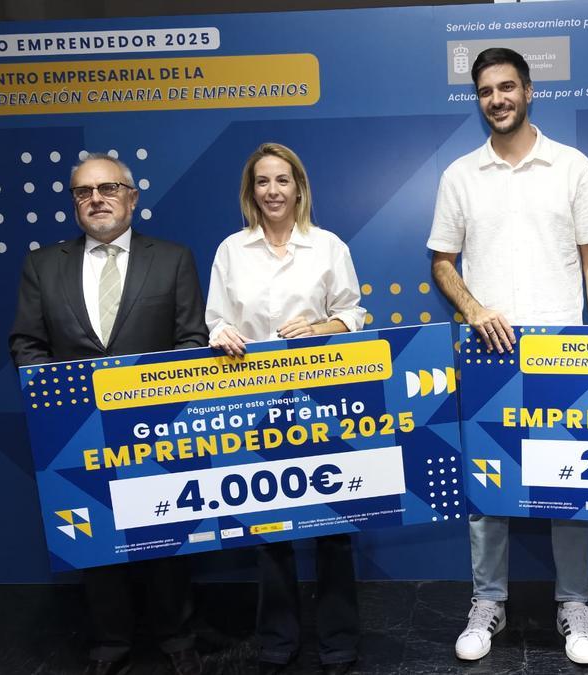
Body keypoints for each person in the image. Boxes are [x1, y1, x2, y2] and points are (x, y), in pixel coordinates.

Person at [428, 47, 588, 666]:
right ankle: (488, 602)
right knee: (487, 486)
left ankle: (575, 604)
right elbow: (442, 263)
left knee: (572, 482)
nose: (497, 99)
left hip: (565, 351)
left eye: (507, 87)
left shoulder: (572, 165)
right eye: (486, 91)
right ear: (477, 99)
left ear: (529, 90)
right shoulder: (459, 175)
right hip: (488, 354)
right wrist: (474, 308)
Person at [9, 153, 206, 675]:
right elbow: (27, 344)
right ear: (74, 202)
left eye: (108, 188)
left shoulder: (173, 259)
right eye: (84, 191)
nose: (96, 199)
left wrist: (160, 401)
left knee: (166, 532)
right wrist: (58, 405)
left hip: (157, 425)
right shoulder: (42, 265)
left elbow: (191, 339)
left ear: (132, 197)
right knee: (93, 534)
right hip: (76, 430)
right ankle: (110, 642)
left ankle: (177, 636)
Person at [205, 143, 364, 675]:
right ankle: (277, 639)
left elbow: (353, 314)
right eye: (262, 181)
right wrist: (221, 333)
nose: (272, 191)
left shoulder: (328, 246)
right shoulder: (231, 250)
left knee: (334, 524)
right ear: (251, 192)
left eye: (282, 180)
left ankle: (339, 639)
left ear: (299, 187)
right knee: (269, 524)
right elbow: (216, 319)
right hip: (254, 400)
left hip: (321, 397)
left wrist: (321, 327)